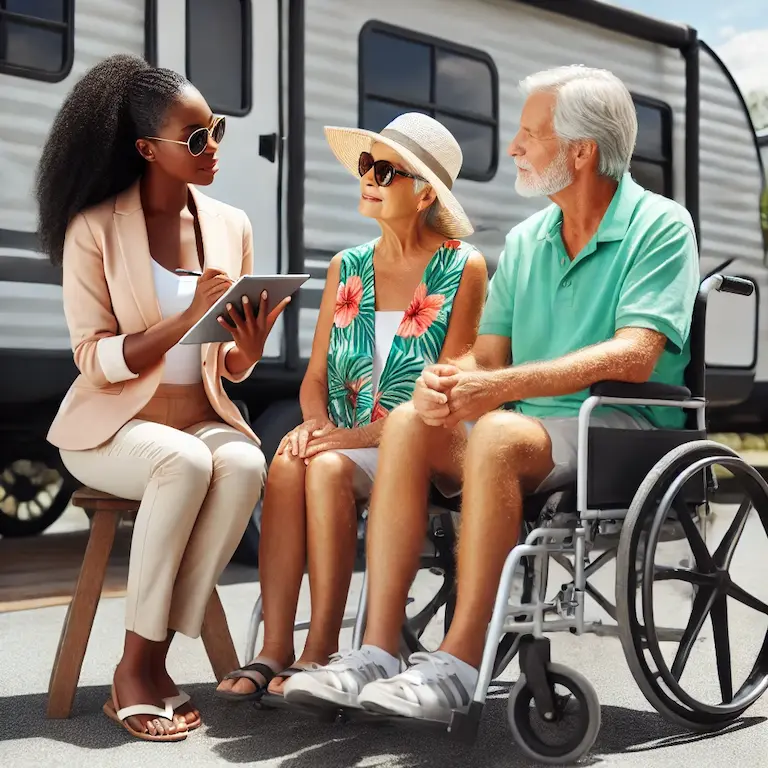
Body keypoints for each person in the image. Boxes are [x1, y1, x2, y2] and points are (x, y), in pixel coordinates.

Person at [282, 65, 700, 721]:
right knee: (409, 423)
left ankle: (458, 664)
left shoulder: (661, 225)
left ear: (581, 151)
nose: (514, 149)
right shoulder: (528, 239)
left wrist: (497, 387)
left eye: (530, 135)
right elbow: (490, 353)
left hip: (613, 427)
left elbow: (637, 351)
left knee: (499, 433)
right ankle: (376, 651)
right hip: (526, 426)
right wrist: (448, 379)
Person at [40, 54, 286, 741]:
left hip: (198, 419)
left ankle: (153, 662)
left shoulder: (231, 225)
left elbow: (227, 368)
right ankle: (135, 668)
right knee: (183, 462)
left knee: (241, 463)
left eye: (217, 132)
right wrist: (181, 321)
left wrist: (250, 343)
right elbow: (92, 355)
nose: (212, 150)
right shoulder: (93, 228)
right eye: (195, 139)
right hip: (111, 431)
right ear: (148, 149)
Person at [215, 113, 488, 701]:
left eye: (384, 169)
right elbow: (314, 378)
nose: (367, 177)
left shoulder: (463, 266)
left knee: (327, 465)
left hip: (425, 444)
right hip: (348, 436)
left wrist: (337, 442)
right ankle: (274, 648)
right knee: (289, 462)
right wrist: (315, 425)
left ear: (424, 193)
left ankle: (321, 652)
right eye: (366, 165)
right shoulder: (347, 267)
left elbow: (449, 386)